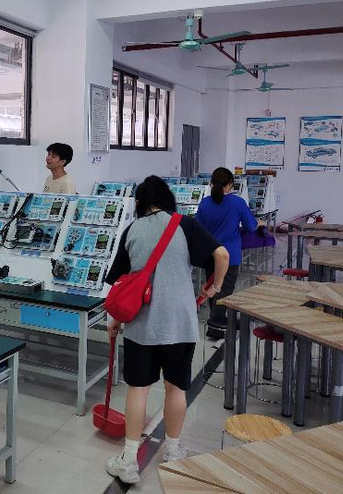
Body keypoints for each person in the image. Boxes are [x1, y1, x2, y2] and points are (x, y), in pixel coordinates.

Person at [105, 176, 229, 484]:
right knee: (175, 388)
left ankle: (129, 461)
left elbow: (121, 282)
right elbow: (222, 254)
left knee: (138, 389)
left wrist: (115, 320)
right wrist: (215, 287)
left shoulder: (132, 230)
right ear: (167, 199)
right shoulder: (184, 225)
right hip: (179, 324)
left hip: (141, 325)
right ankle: (173, 452)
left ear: (139, 203)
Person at [195, 167, 260, 340]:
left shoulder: (205, 203)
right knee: (225, 289)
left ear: (211, 183)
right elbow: (251, 226)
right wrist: (257, 224)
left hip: (210, 254)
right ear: (230, 184)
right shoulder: (237, 203)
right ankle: (216, 324)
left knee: (213, 287)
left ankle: (216, 320)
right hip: (230, 256)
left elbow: (198, 229)